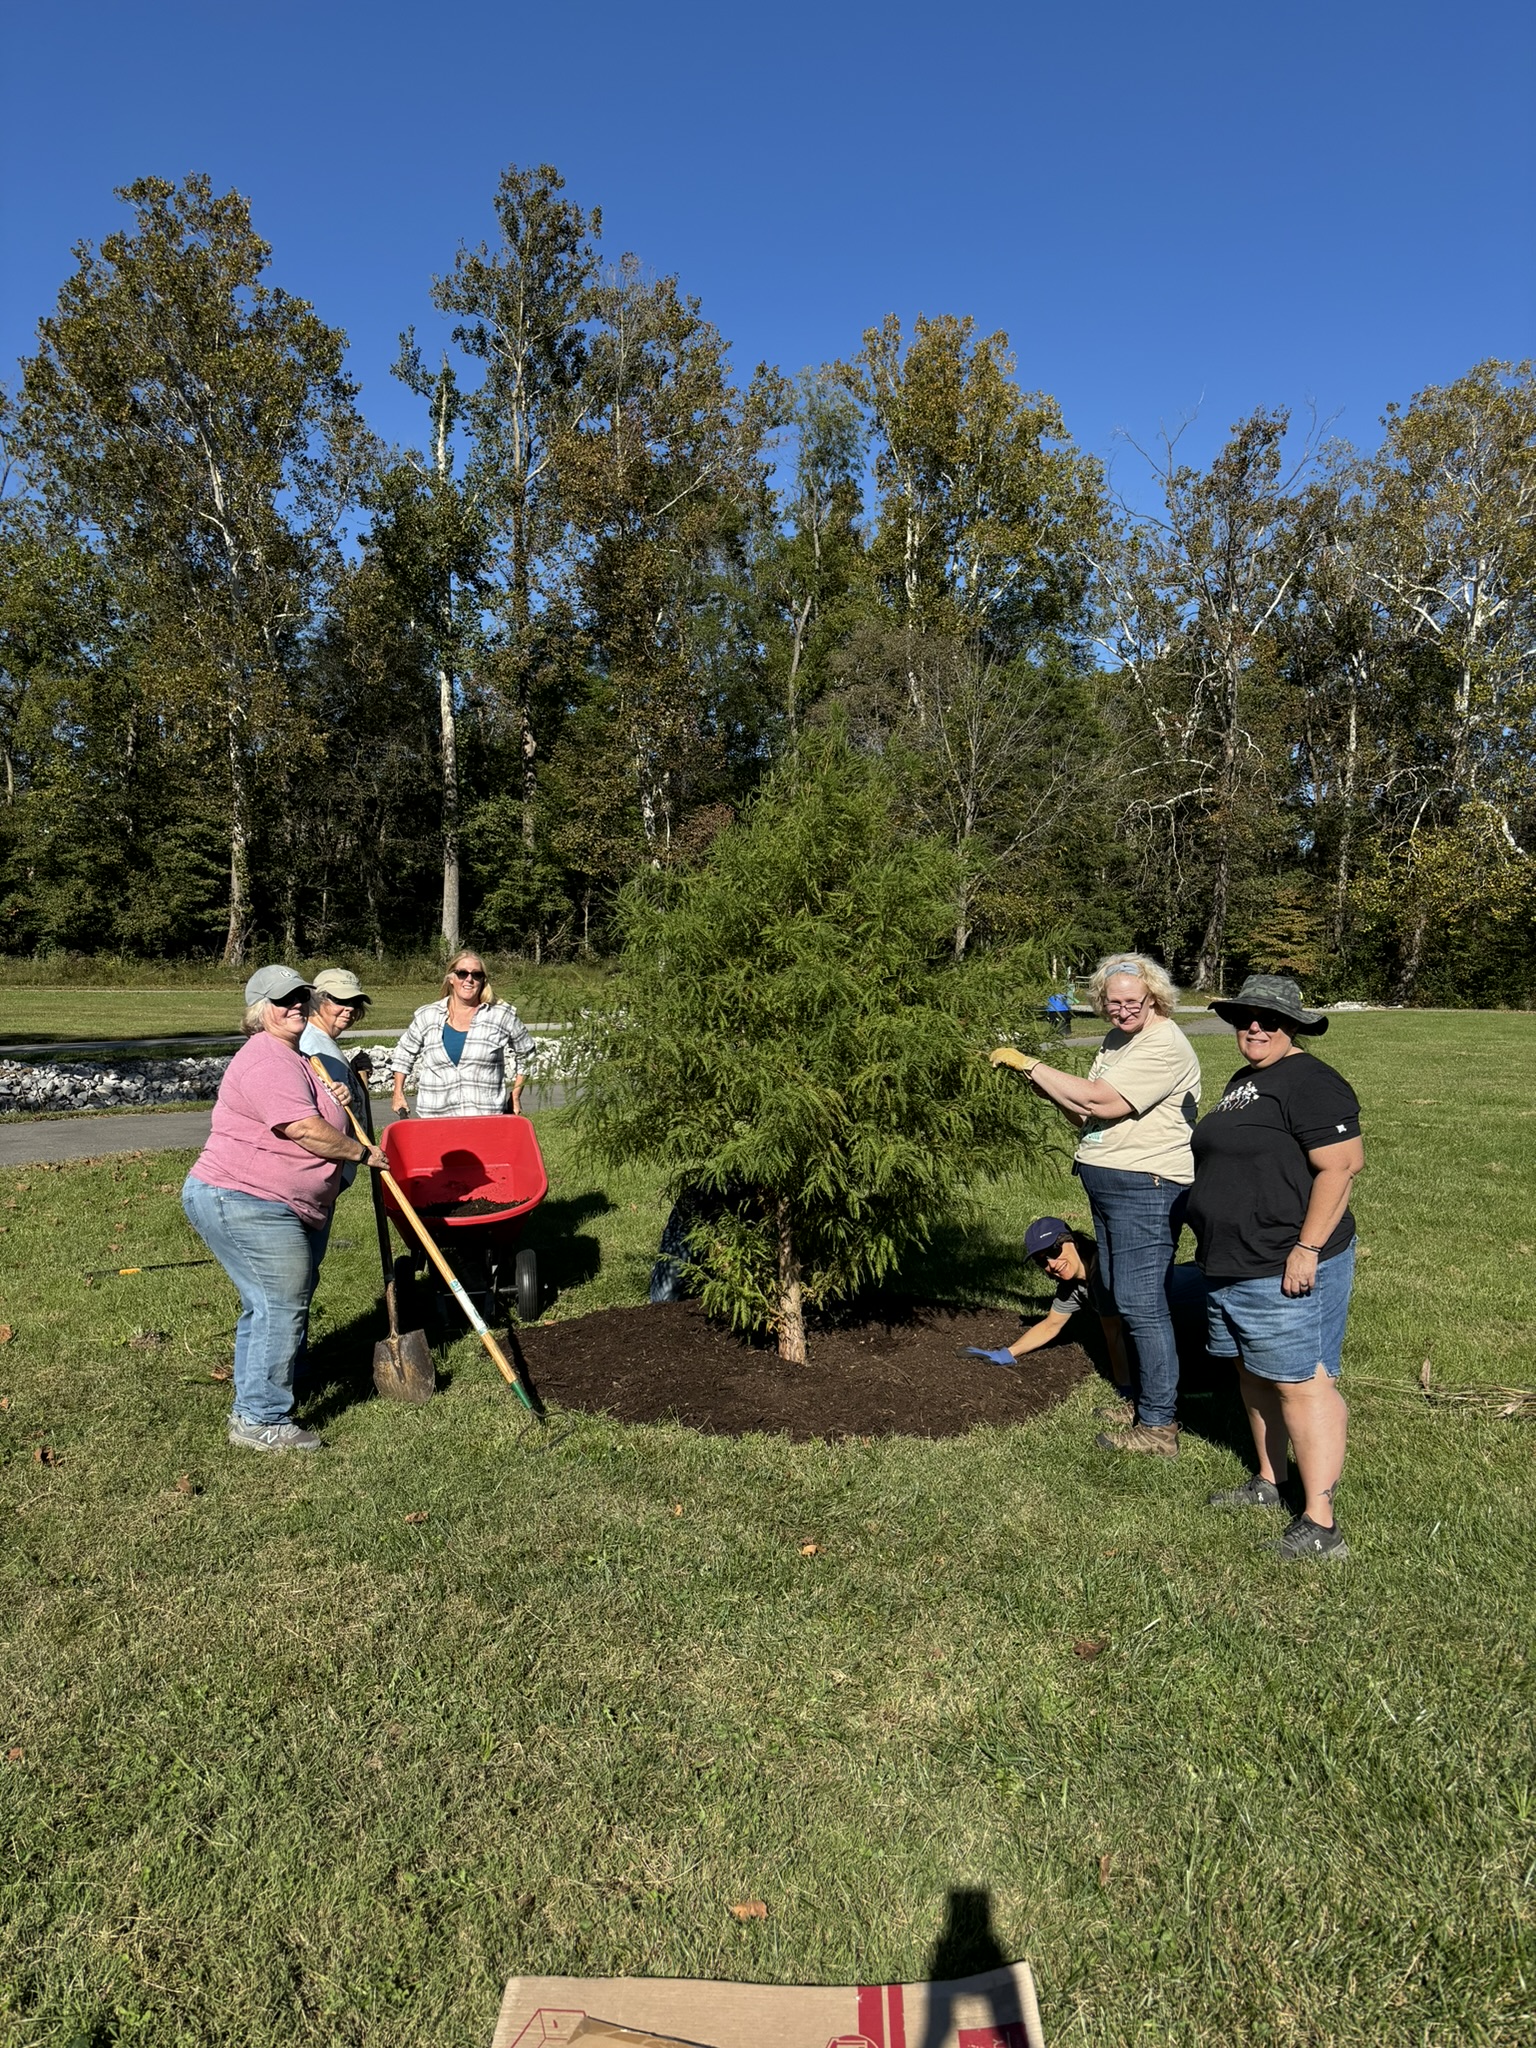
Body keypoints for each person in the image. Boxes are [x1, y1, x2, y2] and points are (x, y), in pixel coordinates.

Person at [990, 952, 1201, 1456]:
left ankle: (1159, 1425)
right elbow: (1085, 1119)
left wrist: (1034, 1063)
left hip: (1146, 1185)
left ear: (1153, 997)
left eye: (1133, 1001)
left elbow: (1100, 1102)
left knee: (1141, 1304)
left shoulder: (1163, 1044)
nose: (1122, 1010)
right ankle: (1147, 1400)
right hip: (1112, 1182)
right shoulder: (1118, 1039)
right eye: (1112, 1002)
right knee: (1121, 1294)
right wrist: (1035, 1081)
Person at [1187, 974, 1364, 1562]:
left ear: (1293, 1026)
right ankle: (1270, 1480)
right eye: (1244, 1018)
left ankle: (1321, 1523)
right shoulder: (1247, 1081)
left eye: (1268, 1019)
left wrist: (1307, 1249)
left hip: (1283, 1260)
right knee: (1255, 1374)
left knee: (1301, 1382)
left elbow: (1341, 1167)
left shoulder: (1312, 1081)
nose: (1254, 1027)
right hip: (1233, 1260)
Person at [182, 965, 384, 1453]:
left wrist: (334, 1095)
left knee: (269, 1304)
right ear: (258, 1012)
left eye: (299, 996)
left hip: (280, 1202)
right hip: (246, 1197)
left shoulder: (297, 1057)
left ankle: (269, 1388)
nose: (294, 1004)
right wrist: (363, 1154)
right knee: (280, 1303)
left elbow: (315, 1114)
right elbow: (302, 1129)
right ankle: (260, 1418)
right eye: (281, 1000)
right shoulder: (266, 1058)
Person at [963, 1216, 1135, 1412]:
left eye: (1054, 1251)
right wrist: (1008, 1352)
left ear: (1072, 1241)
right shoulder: (1073, 1286)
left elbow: (1114, 1334)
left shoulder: (1103, 1272)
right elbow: (1050, 1325)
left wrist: (1125, 1388)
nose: (1052, 1264)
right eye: (1042, 1261)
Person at [389, 950, 537, 1120]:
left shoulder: (501, 1015)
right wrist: (398, 1092)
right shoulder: (427, 1015)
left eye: (476, 974)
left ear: (483, 981)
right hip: (435, 1119)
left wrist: (515, 1095)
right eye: (462, 973)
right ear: (451, 978)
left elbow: (527, 1053)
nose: (469, 979)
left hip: (485, 1118)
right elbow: (404, 1053)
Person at [299, 967, 371, 1195]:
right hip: (320, 1167)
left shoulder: (323, 1041)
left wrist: (358, 1078)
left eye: (355, 1002)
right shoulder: (308, 1044)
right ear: (316, 1000)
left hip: (337, 1165)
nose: (350, 1008)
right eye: (341, 999)